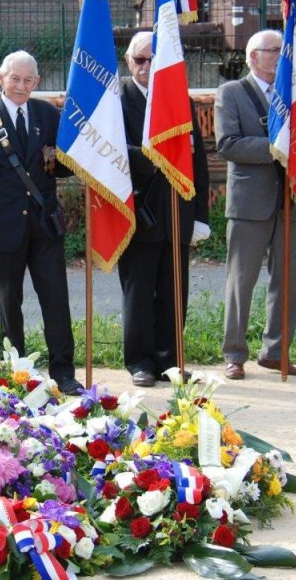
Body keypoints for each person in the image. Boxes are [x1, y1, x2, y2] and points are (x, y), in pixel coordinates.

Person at [0, 50, 83, 396]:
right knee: (9, 305)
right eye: (15, 78)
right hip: (2, 228)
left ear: (37, 83)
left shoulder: (48, 114)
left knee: (56, 301)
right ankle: (16, 376)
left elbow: (60, 167)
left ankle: (63, 372)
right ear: (1, 78)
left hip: (44, 225)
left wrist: (81, 152)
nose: (21, 86)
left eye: (28, 80)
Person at [117, 32, 210, 387]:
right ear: (128, 62)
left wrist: (200, 214)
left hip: (177, 211)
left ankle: (170, 359)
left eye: (153, 59)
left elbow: (197, 161)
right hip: (138, 210)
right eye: (140, 59)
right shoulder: (117, 99)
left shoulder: (179, 99)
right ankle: (139, 361)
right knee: (139, 292)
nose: (146, 66)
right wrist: (155, 153)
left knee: (174, 292)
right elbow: (113, 151)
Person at [215, 29, 296, 380]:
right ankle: (234, 353)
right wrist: (274, 147)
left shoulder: (294, 94)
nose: (281, 56)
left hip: (289, 199)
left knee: (288, 281)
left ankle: (275, 352)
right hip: (249, 204)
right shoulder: (231, 93)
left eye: (283, 50)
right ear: (253, 56)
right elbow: (228, 144)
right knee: (241, 282)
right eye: (274, 50)